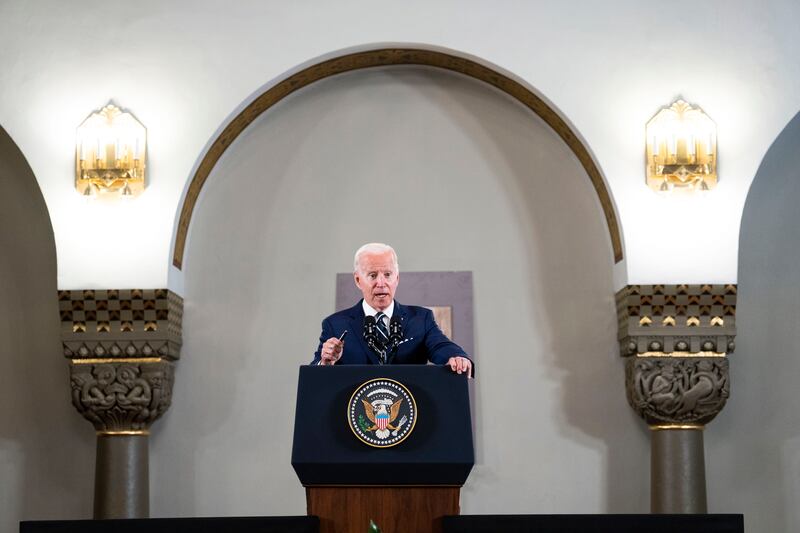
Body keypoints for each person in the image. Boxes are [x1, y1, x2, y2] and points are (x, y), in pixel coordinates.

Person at [312, 243, 473, 375]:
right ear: (358, 280)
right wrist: (325, 362)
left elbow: (440, 346)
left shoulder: (421, 319)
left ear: (397, 278)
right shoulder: (335, 324)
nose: (381, 283)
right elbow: (314, 373)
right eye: (373, 275)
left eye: (387, 274)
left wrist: (457, 357)